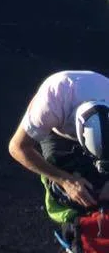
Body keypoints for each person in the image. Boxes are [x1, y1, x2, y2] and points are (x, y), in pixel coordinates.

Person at [8, 71, 109, 213]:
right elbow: (17, 148)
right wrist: (65, 180)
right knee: (57, 165)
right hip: (57, 126)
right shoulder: (51, 103)